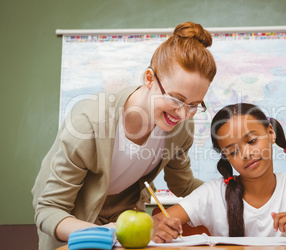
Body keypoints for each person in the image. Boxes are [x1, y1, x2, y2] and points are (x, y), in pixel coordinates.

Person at [31, 21, 217, 249]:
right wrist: (111, 231)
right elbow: (49, 209)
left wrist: (234, 191)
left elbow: (183, 185)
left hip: (125, 219)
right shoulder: (89, 123)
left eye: (193, 105)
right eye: (176, 99)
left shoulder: (180, 128)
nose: (182, 113)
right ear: (149, 79)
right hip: (73, 220)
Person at [152, 103, 286, 243]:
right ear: (226, 157)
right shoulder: (213, 193)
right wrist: (159, 228)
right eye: (233, 151)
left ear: (270, 133)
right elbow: (157, 221)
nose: (247, 154)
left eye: (251, 141)